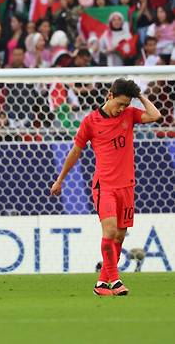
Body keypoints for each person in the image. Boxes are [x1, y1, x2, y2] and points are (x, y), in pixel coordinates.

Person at [50, 79, 162, 296]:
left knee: (119, 236)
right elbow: (75, 152)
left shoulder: (129, 115)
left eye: (126, 104)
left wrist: (138, 96)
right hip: (105, 186)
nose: (122, 108)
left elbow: (156, 116)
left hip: (127, 186)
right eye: (120, 103)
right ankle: (115, 280)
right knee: (109, 230)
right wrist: (60, 179)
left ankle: (102, 284)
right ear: (109, 95)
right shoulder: (90, 121)